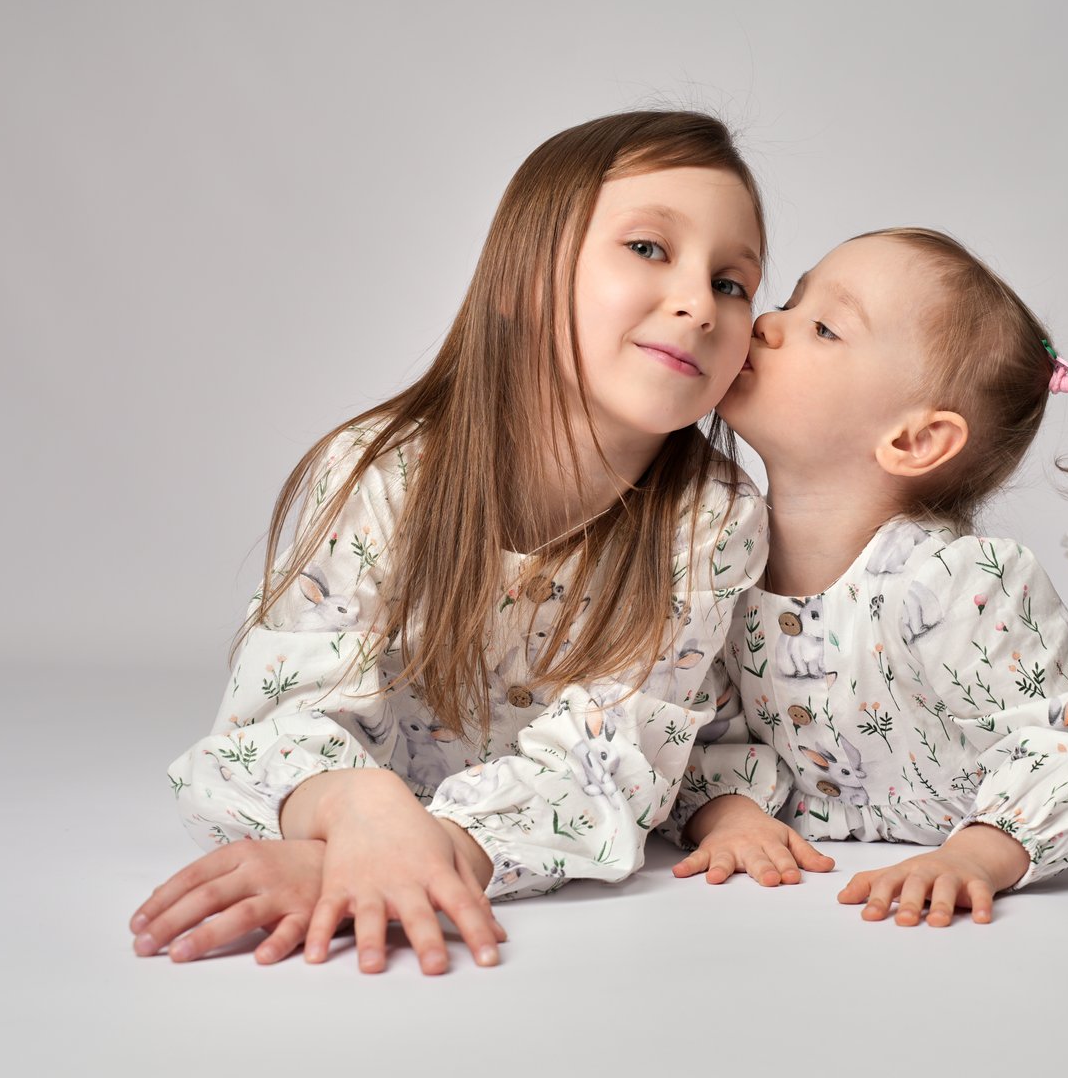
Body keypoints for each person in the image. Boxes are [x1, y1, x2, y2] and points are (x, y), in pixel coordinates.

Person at [129, 110, 771, 973]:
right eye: (650, 248)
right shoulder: (377, 474)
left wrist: (407, 861)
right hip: (379, 808)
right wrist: (354, 809)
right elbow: (272, 721)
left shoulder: (710, 516)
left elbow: (605, 764)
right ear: (522, 279)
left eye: (733, 282)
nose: (699, 303)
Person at [670, 227, 1068, 928]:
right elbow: (707, 730)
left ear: (915, 440)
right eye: (790, 301)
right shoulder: (722, 560)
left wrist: (980, 852)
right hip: (1003, 718)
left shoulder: (957, 583)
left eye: (823, 327)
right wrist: (729, 817)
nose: (766, 321)